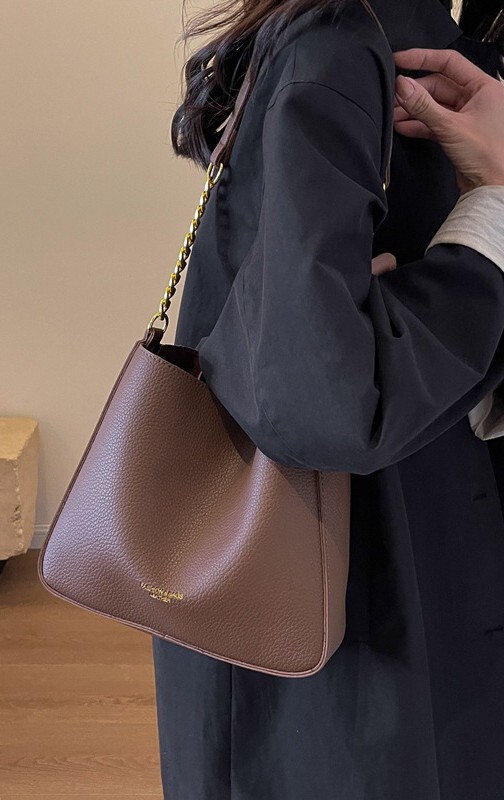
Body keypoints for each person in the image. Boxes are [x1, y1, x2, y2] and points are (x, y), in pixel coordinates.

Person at [151, 0, 504, 797]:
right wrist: (491, 219)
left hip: (382, 571)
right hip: (353, 601)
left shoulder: (372, 41)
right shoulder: (339, 47)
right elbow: (323, 399)